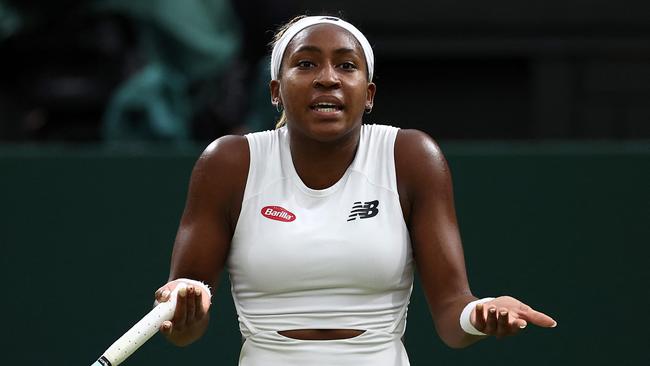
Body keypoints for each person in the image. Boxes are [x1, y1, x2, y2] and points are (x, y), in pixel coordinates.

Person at [153, 15, 557, 365]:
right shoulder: (228, 163)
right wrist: (183, 307)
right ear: (275, 91)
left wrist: (479, 315)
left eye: (346, 66)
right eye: (307, 63)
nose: (327, 78)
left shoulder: (411, 156)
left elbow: (453, 317)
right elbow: (183, 328)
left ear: (368, 94)